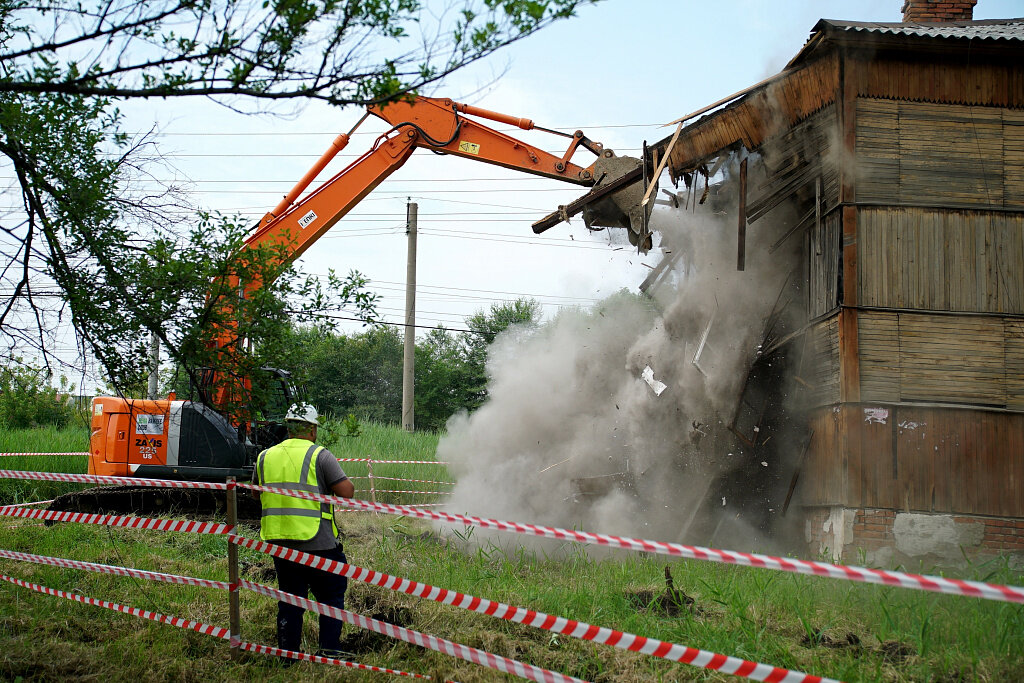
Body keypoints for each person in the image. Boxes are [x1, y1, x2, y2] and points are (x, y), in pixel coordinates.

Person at [253, 403, 355, 656]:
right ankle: (330, 650)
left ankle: (288, 655)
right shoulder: (320, 455)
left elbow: (257, 495)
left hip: (280, 543)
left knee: (290, 601)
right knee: (331, 598)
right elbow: (347, 492)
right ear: (310, 429)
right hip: (318, 542)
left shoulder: (265, 456)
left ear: (289, 427)